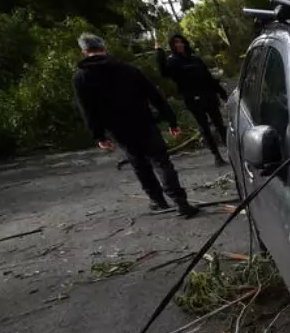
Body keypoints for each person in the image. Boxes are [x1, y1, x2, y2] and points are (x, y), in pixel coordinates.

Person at [71, 33, 199, 217]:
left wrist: (99, 135)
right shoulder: (127, 69)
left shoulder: (81, 78)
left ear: (84, 52)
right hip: (144, 123)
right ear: (104, 49)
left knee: (140, 164)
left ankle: (158, 201)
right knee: (161, 162)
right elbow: (154, 95)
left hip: (120, 129)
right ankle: (180, 201)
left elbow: (88, 110)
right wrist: (171, 120)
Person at [157, 34, 228, 166]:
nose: (179, 45)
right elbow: (164, 72)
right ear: (172, 46)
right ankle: (217, 156)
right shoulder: (173, 62)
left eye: (180, 42)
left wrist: (222, 93)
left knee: (219, 124)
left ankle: (230, 151)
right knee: (205, 128)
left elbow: (208, 77)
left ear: (184, 43)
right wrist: (159, 52)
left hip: (208, 96)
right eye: (175, 43)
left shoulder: (195, 59)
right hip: (193, 100)